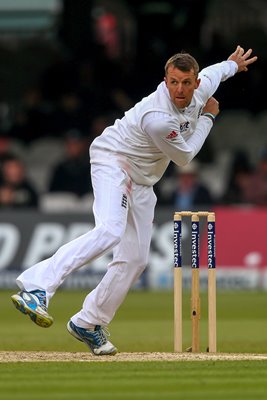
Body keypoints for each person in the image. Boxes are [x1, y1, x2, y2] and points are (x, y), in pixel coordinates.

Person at [11, 45, 257, 356]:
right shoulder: (158, 116)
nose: (179, 90)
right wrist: (208, 117)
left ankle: (89, 321)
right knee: (110, 230)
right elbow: (184, 157)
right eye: (173, 82)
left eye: (185, 82)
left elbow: (216, 71)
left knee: (136, 259)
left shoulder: (202, 83)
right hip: (113, 160)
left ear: (195, 83)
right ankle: (37, 287)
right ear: (165, 80)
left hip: (143, 180)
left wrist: (233, 64)